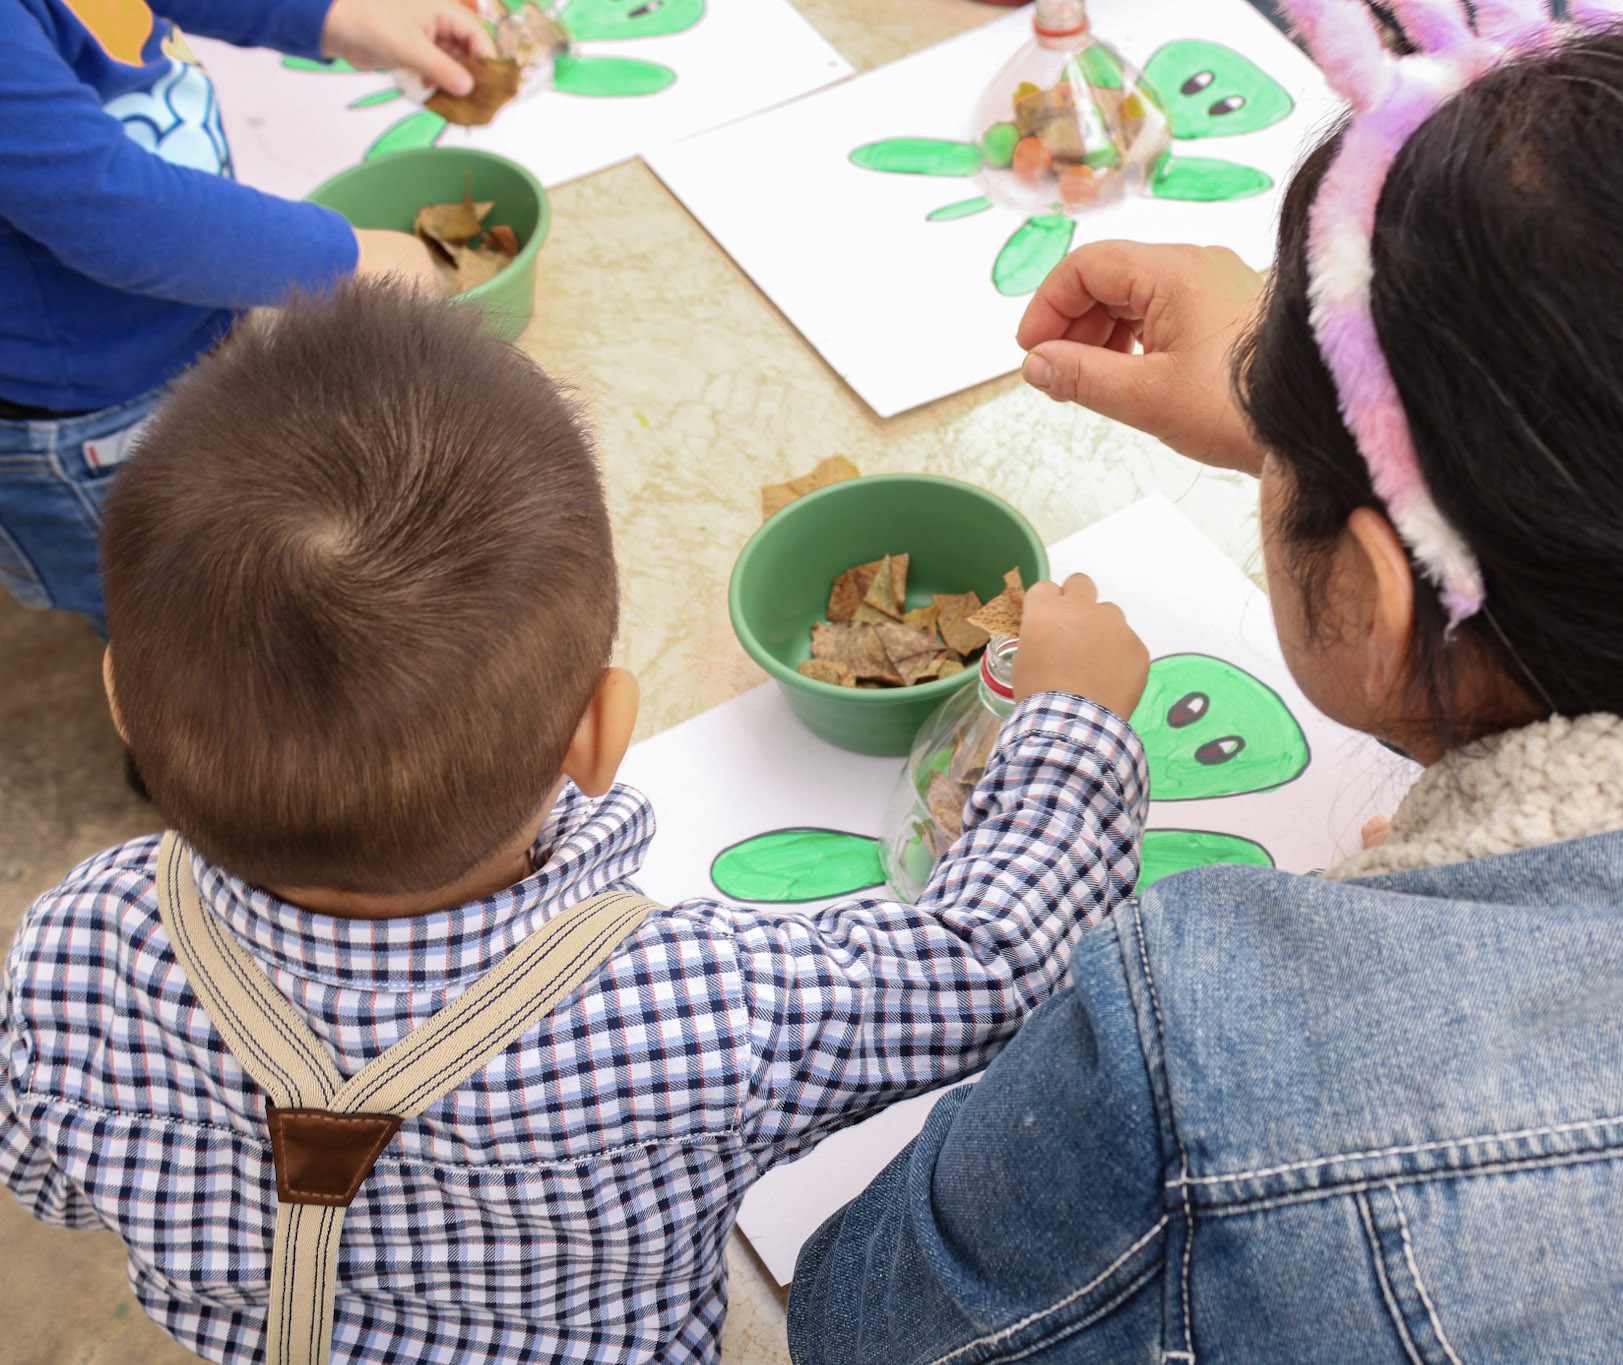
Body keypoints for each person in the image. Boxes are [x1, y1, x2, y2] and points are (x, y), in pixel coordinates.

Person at [785, 5, 1623, 1362]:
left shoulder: (1219, 1056)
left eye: (1280, 445)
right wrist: (1322, 414)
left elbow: (864, 1322)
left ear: (1391, 611)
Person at [0, 282, 1152, 1364]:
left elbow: (44, 1178)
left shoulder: (72, 945)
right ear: (601, 738)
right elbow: (984, 965)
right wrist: (1064, 726)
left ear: (121, 703)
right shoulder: (693, 1008)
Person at [0, 0, 483, 635]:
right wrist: (349, 259)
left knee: (240, 571)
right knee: (177, 629)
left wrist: (326, 17)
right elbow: (110, 208)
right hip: (92, 417)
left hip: (189, 324)